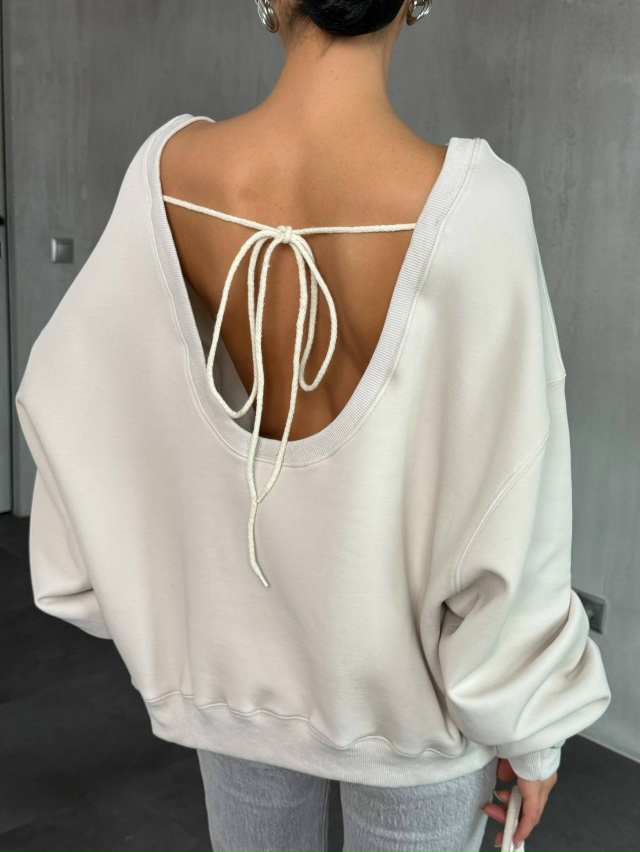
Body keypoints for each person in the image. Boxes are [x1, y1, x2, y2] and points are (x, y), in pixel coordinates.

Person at [15, 0, 611, 850]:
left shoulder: (172, 171)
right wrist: (534, 729)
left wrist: (136, 589)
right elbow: (514, 501)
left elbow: (73, 398)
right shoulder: (480, 204)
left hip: (241, 679)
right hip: (416, 713)